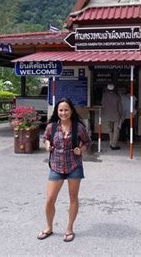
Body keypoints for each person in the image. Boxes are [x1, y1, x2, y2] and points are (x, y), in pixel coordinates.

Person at [37, 98, 91, 243]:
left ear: (71, 111)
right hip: (56, 166)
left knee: (73, 198)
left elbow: (87, 142)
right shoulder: (52, 126)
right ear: (57, 111)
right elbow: (46, 138)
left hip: (74, 165)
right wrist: (48, 145)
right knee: (49, 200)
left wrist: (82, 149)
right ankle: (49, 227)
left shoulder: (78, 127)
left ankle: (69, 228)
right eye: (60, 110)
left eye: (66, 109)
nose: (63, 112)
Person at [101, 83, 124, 150]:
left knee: (110, 130)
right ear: (114, 89)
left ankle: (111, 142)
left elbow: (103, 104)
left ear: (107, 88)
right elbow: (120, 107)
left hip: (107, 115)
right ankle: (114, 145)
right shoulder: (117, 96)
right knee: (116, 130)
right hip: (116, 115)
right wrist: (121, 115)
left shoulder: (104, 95)